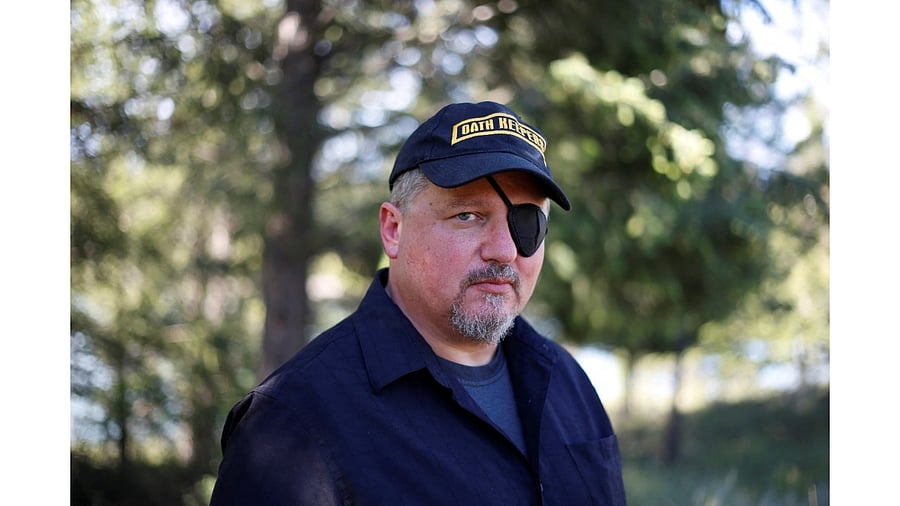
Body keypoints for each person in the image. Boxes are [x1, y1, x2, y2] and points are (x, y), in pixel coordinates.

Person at [209, 101, 627, 505]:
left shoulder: (566, 382)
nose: (504, 250)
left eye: (527, 221)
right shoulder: (293, 421)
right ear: (393, 230)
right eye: (467, 215)